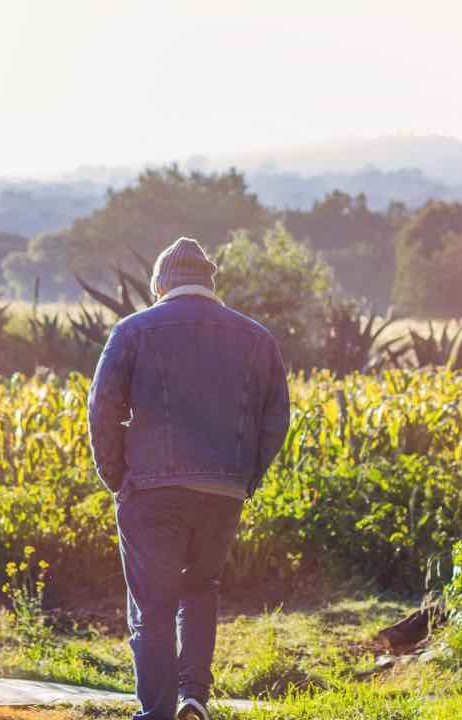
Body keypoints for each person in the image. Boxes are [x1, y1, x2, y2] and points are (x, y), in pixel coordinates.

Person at [87, 237, 291, 720]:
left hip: (151, 490)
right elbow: (276, 419)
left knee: (152, 606)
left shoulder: (133, 330)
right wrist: (244, 478)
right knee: (201, 588)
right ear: (209, 282)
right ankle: (194, 697)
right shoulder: (257, 338)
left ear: (159, 284)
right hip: (223, 491)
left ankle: (156, 712)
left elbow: (102, 406)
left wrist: (117, 476)